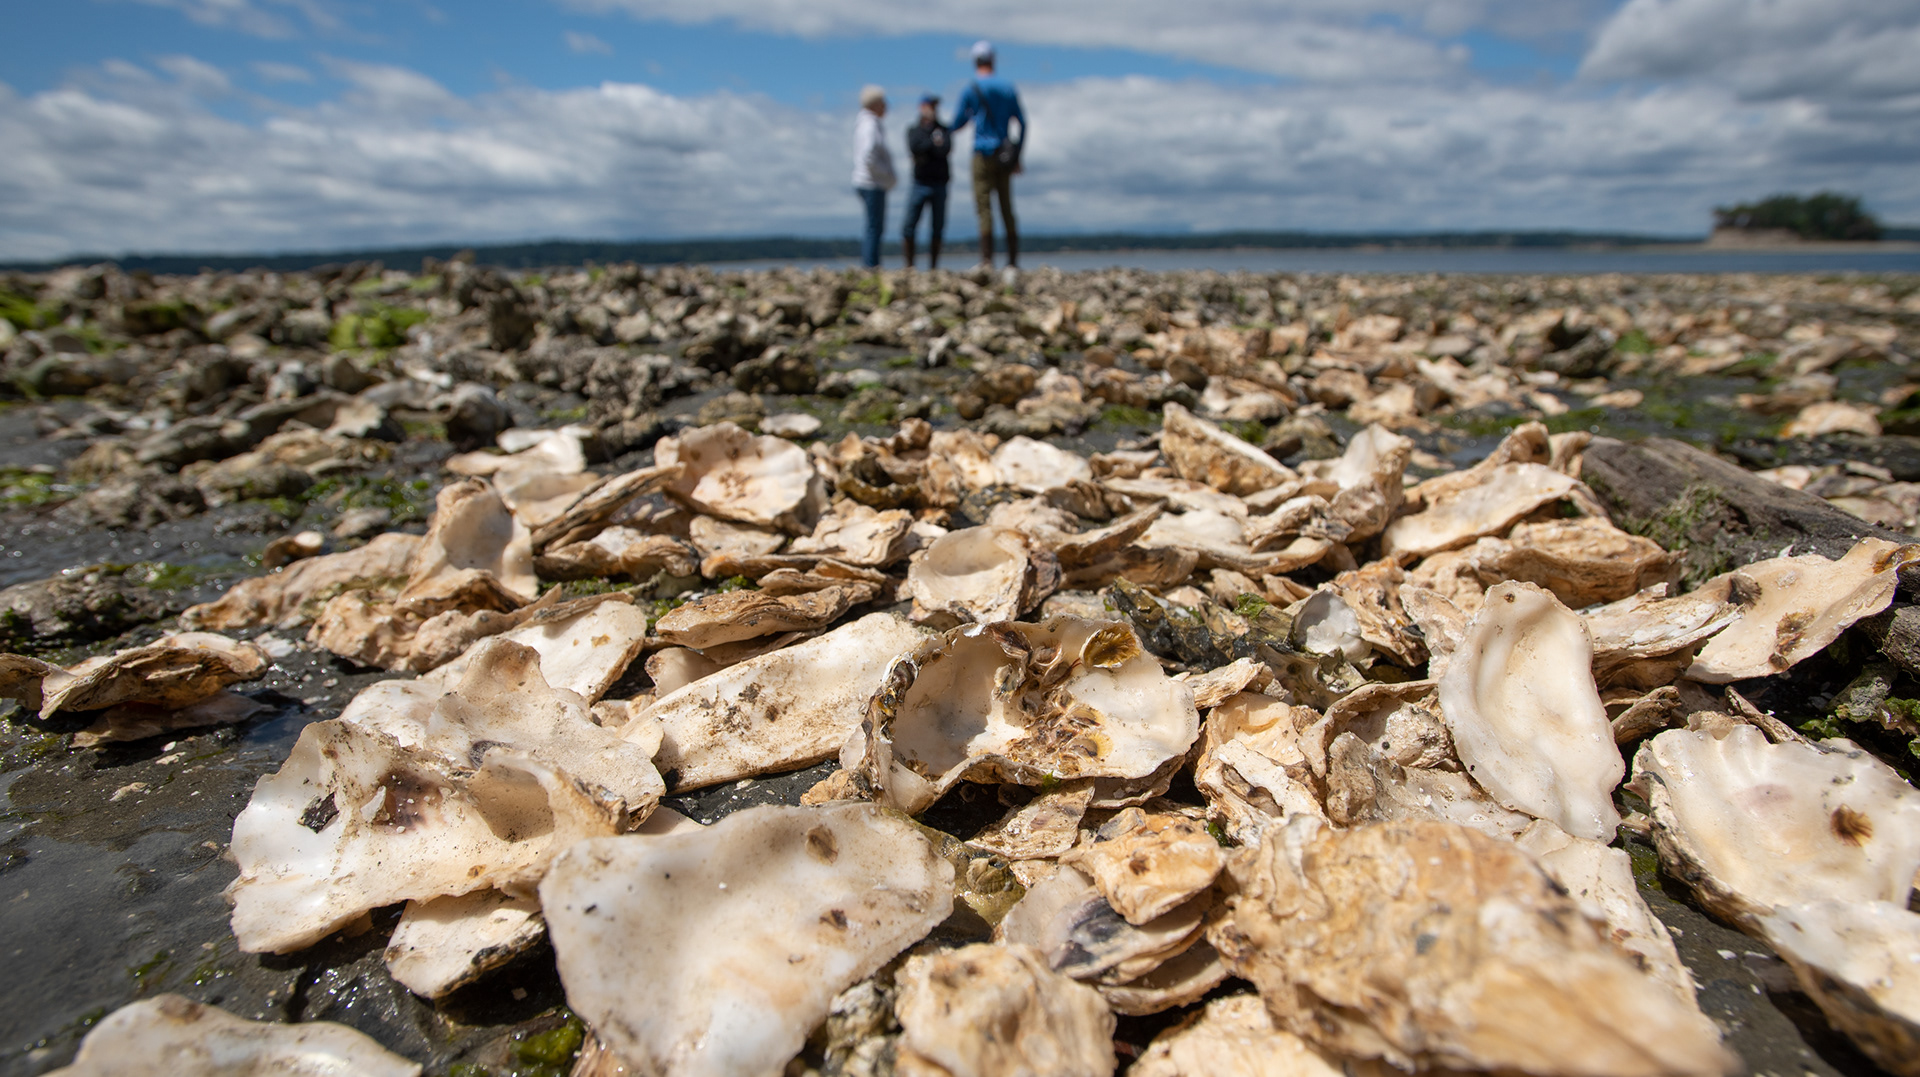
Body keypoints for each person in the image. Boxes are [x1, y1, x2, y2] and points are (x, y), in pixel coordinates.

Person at [949, 40, 1025, 269]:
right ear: (993, 60)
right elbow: (1023, 123)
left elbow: (957, 122)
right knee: (1006, 207)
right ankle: (1012, 261)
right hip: (1004, 155)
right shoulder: (1007, 88)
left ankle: (987, 260)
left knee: (984, 208)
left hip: (981, 153)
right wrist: (1017, 155)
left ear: (975, 62)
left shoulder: (970, 89)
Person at [901, 93, 952, 270]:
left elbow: (945, 149)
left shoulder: (944, 129)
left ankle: (933, 268)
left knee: (937, 227)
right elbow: (915, 147)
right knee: (909, 225)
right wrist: (932, 143)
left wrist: (929, 147)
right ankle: (909, 267)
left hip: (940, 182)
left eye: (935, 107)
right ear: (921, 107)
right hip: (920, 182)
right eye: (930, 106)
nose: (933, 110)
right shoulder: (914, 130)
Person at [851, 84, 896, 268]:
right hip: (871, 182)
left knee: (874, 226)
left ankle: (872, 265)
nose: (886, 106)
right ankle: (871, 267)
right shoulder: (869, 125)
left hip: (871, 181)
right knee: (874, 226)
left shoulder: (868, 124)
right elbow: (869, 156)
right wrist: (887, 175)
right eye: (883, 102)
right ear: (875, 104)